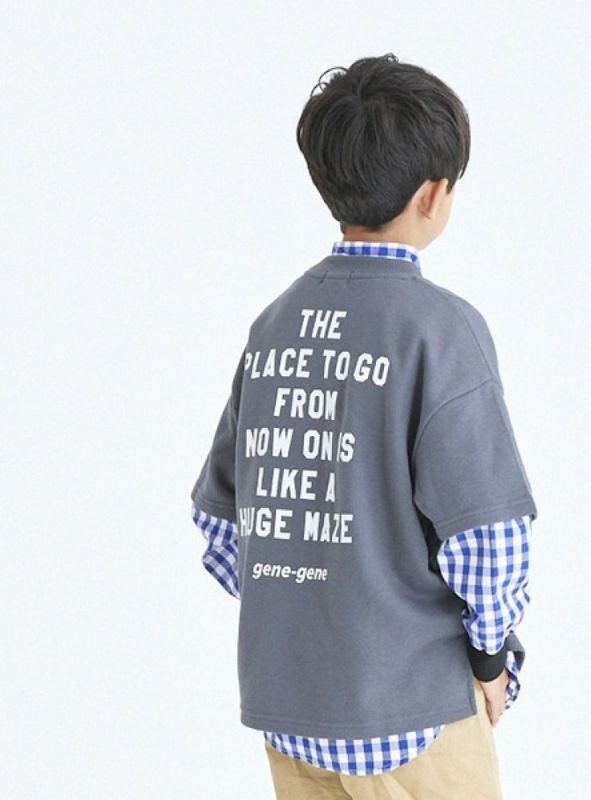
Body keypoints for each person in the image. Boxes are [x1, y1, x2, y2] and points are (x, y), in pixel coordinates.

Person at [190, 52, 538, 799]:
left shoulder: (274, 326)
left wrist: (316, 603)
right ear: (434, 193)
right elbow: (489, 537)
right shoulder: (441, 331)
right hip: (416, 715)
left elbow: (221, 525)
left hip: (290, 713)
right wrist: (491, 659)